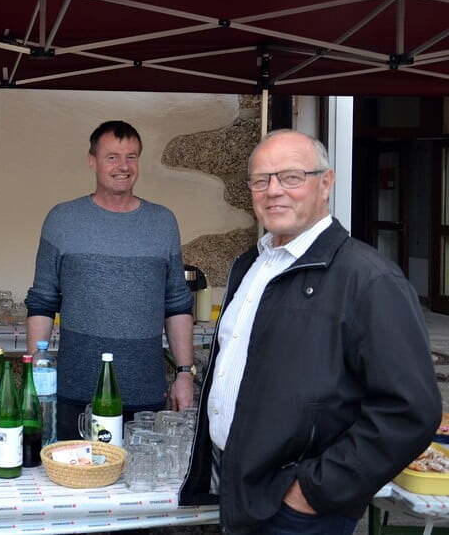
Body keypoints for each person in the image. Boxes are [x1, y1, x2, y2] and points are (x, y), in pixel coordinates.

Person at [180, 130, 441, 534]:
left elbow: (410, 411)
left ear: (326, 183)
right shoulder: (250, 266)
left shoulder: (368, 279)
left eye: (291, 177)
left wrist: (315, 490)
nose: (273, 191)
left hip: (300, 509)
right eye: (261, 180)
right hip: (241, 487)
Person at [25, 120, 195, 440]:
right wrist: (35, 376)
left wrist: (185, 373)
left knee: (142, 471)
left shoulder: (163, 222)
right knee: (73, 469)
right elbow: (42, 301)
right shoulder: (62, 220)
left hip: (145, 395)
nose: (123, 166)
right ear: (92, 161)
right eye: (112, 157)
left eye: (131, 157)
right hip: (77, 392)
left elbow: (176, 303)